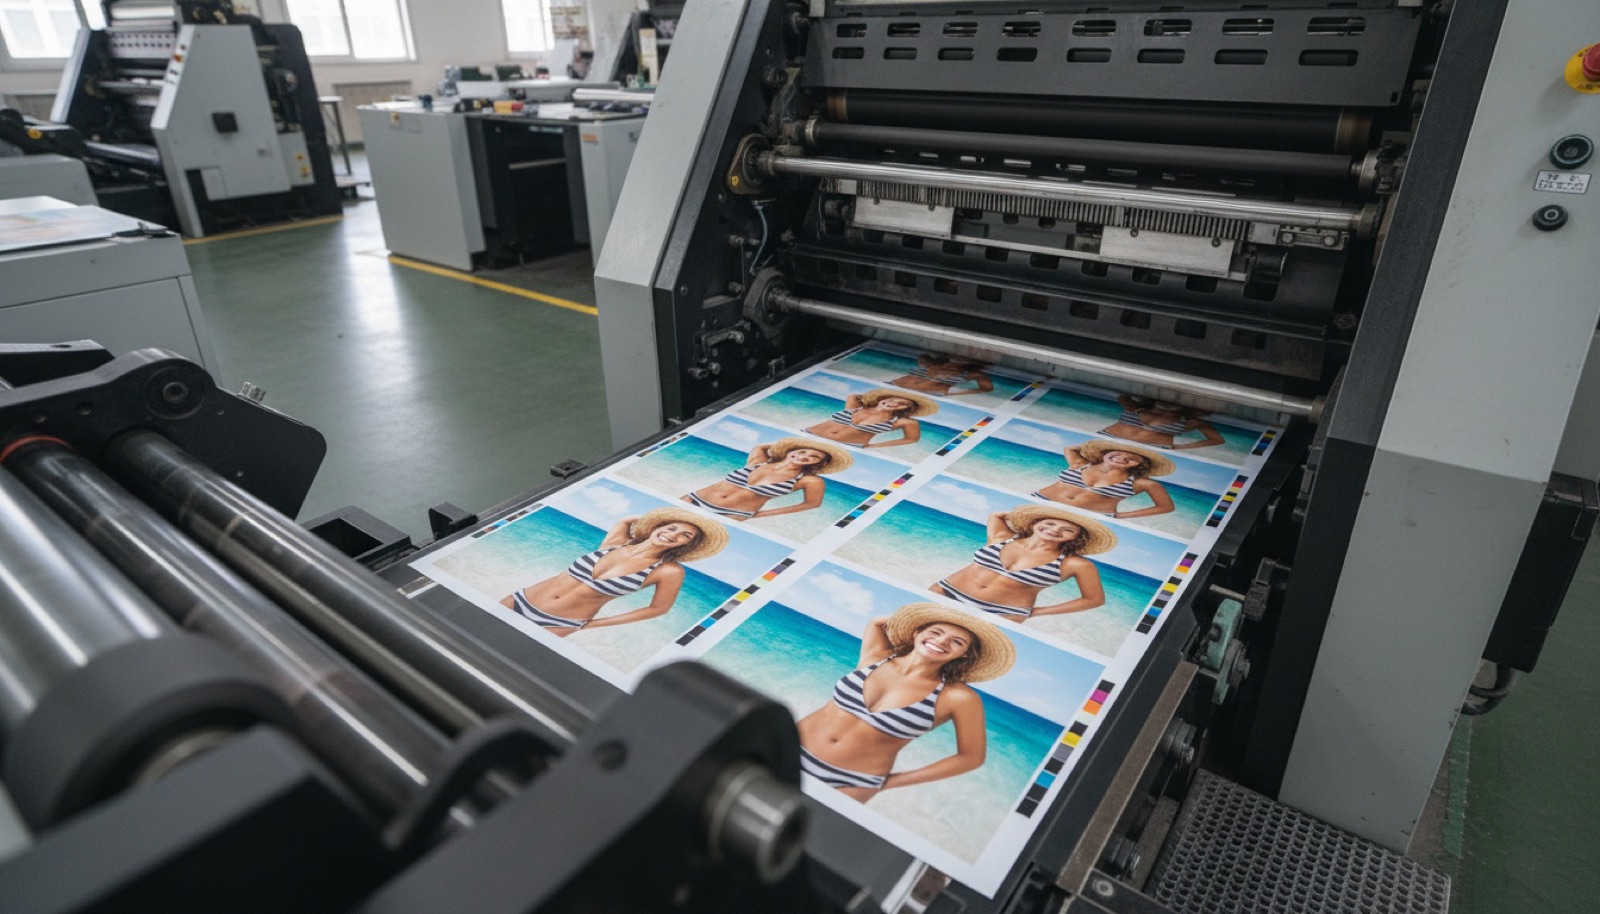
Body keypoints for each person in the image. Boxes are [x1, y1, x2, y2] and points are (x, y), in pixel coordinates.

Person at [797, 602, 1016, 802]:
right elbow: (876, 622)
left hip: (851, 782)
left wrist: (892, 782)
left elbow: (971, 758)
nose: (941, 641)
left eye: (957, 642)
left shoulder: (958, 697)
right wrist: (914, 618)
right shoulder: (876, 657)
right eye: (935, 632)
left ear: (966, 654)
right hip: (793, 745)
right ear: (917, 632)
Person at [501, 508, 727, 637]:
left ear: (685, 545)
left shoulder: (668, 570)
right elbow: (625, 519)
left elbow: (658, 609)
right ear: (657, 527)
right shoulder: (616, 543)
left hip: (558, 623)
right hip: (520, 599)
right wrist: (648, 520)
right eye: (671, 527)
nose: (674, 534)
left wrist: (593, 625)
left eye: (685, 536)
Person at [932, 505, 1117, 622]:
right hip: (946, 591)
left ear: (1077, 538)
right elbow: (996, 515)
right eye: (1050, 523)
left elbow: (1094, 600)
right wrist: (1023, 515)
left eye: (1068, 530)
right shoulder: (1002, 538)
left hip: (1004, 612)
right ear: (1034, 523)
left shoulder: (1074, 564)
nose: (1055, 530)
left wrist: (1037, 612)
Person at [682, 437, 853, 521]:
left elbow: (812, 504)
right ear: (790, 451)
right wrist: (785, 447)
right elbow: (762, 446)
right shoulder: (758, 461)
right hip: (694, 498)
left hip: (733, 514)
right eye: (801, 451)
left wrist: (761, 515)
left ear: (819, 463)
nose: (804, 456)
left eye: (814, 456)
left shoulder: (808, 480)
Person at [1031, 440, 1176, 520]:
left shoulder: (1142, 483)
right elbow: (1070, 447)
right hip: (1041, 500)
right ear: (1104, 454)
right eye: (1117, 452)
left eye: (1133, 458)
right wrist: (1100, 445)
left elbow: (1166, 507)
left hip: (1088, 516)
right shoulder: (1080, 464)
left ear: (1141, 464)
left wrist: (1120, 516)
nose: (1123, 458)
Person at [804, 388, 938, 449]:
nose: (894, 403)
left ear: (905, 409)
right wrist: (874, 401)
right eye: (892, 399)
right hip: (809, 434)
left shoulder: (902, 421)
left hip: (848, 446)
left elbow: (912, 439)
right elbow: (855, 395)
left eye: (902, 404)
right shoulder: (855, 406)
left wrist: (874, 446)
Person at [1100, 394, 1225, 451]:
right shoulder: (1134, 408)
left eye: (1172, 404)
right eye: (1163, 400)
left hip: (1151, 449)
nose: (1167, 403)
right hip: (1107, 438)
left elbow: (1217, 440)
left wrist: (1182, 447)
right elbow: (1123, 396)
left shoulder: (1189, 422)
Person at [891, 353, 995, 398]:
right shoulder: (927, 366)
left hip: (903, 388)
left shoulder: (959, 376)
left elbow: (986, 388)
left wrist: (979, 376)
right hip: (895, 386)